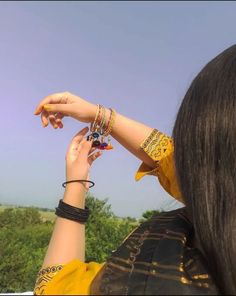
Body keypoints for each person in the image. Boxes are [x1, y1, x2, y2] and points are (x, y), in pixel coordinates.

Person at [33, 44, 236, 295]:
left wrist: (76, 183)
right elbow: (177, 160)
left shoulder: (147, 280)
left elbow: (53, 288)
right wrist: (99, 115)